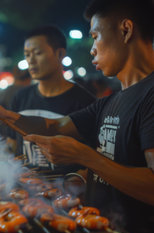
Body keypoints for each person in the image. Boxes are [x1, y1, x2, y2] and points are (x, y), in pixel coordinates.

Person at [0, 0, 153, 233]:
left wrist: (87, 158)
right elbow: (53, 127)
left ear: (126, 30)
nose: (92, 49)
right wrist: (2, 114)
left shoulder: (150, 96)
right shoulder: (109, 102)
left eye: (96, 36)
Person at [6, 25, 96, 174]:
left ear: (60, 54)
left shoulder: (85, 102)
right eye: (27, 55)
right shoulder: (20, 98)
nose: (31, 60)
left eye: (38, 53)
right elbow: (12, 145)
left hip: (67, 192)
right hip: (26, 191)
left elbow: (93, 160)